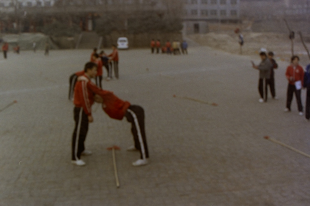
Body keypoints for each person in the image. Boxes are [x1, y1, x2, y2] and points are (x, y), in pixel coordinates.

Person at [94, 92, 149, 166]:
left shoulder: (109, 97)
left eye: (98, 97)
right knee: (134, 131)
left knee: (139, 133)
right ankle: (137, 146)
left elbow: (103, 91)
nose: (97, 100)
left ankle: (144, 158)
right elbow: (115, 116)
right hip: (128, 114)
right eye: (95, 99)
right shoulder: (104, 107)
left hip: (134, 111)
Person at [71, 62, 109, 166]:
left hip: (84, 109)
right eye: (94, 70)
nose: (96, 72)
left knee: (84, 130)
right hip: (81, 110)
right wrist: (89, 114)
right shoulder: (83, 82)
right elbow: (84, 99)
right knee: (79, 132)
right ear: (88, 70)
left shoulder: (86, 80)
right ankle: (75, 157)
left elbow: (94, 91)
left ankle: (81, 149)